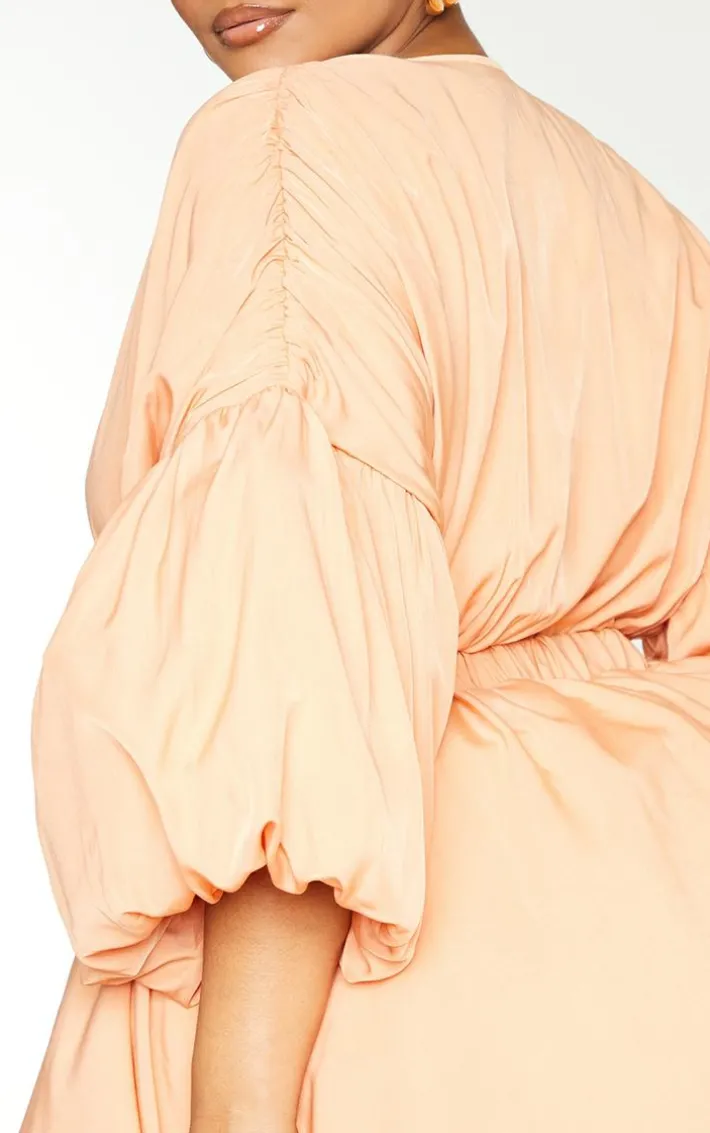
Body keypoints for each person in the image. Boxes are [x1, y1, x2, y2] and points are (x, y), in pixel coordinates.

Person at [20, 1, 710, 1131]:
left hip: (386, 1016)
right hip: (656, 992)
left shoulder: (289, 143)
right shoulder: (645, 224)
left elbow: (288, 677)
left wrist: (238, 1112)